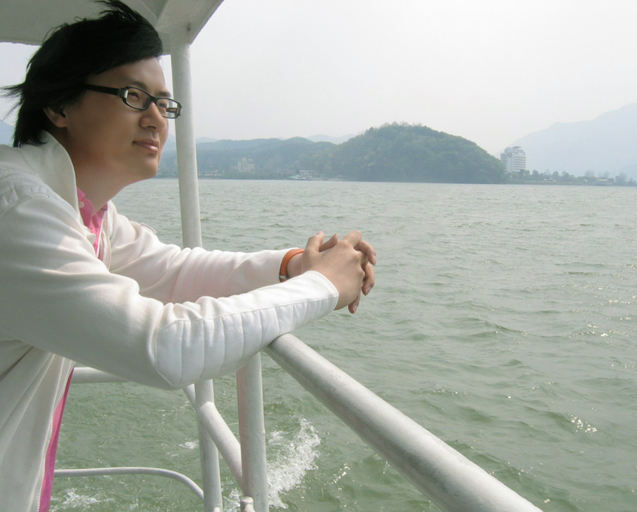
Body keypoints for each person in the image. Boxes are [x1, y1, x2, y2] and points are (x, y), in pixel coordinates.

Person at [0, 1, 376, 510]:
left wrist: (293, 265)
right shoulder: (17, 208)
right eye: (134, 96)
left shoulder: (80, 211)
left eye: (164, 104)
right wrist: (323, 286)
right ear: (59, 106)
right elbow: (163, 347)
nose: (156, 118)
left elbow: (172, 271)